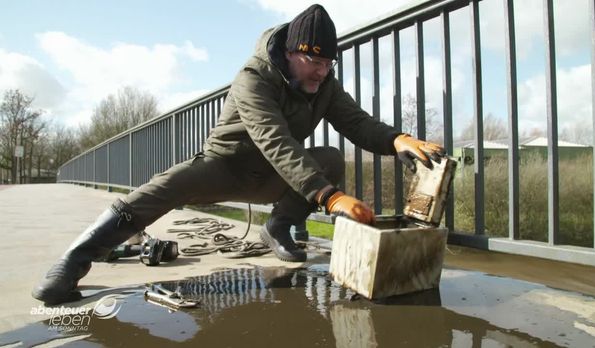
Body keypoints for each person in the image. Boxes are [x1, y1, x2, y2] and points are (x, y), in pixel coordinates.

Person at [32, 4, 445, 305]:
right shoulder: (253, 78)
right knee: (165, 187)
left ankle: (278, 228)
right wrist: (330, 197)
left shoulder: (326, 86)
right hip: (225, 166)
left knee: (330, 158)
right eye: (312, 60)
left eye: (328, 62)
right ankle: (73, 262)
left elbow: (357, 123)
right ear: (288, 53)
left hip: (275, 175)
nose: (321, 71)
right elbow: (274, 139)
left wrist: (397, 140)